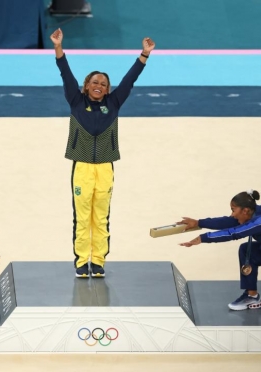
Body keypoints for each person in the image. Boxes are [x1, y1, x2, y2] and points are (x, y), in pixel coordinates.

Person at [50, 28, 155, 278]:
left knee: (101, 217)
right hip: (82, 168)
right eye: (94, 82)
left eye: (103, 84)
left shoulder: (114, 103)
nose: (99, 86)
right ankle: (80, 261)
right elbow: (66, 74)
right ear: (86, 86)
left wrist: (144, 55)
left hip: (106, 167)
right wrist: (58, 48)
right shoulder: (76, 101)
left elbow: (129, 80)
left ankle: (97, 261)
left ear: (108, 90)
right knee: (82, 216)